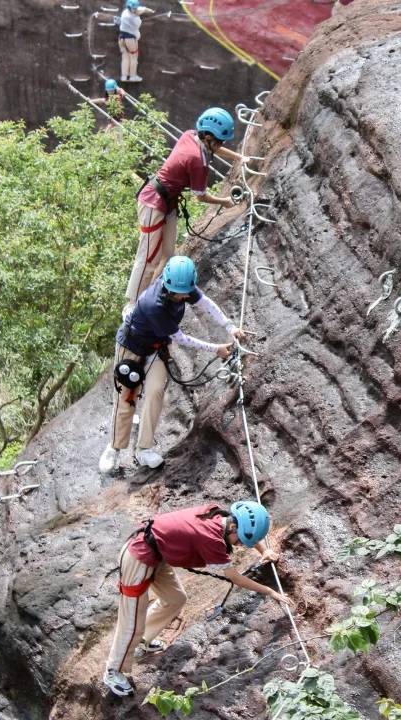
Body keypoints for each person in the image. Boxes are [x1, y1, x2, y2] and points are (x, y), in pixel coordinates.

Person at [103, 500, 295, 697]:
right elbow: (235, 577)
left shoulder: (221, 518)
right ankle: (113, 671)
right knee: (132, 622)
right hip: (139, 557)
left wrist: (265, 551)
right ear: (233, 526)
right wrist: (270, 592)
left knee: (176, 599)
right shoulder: (211, 539)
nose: (239, 546)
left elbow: (248, 531)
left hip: (158, 555)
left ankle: (143, 641)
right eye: (239, 541)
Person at [100, 255, 244, 474]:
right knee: (127, 397)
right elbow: (181, 338)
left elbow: (206, 304)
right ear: (168, 286)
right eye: (179, 293)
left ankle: (144, 448)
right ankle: (115, 447)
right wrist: (217, 348)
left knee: (155, 391)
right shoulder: (153, 305)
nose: (184, 296)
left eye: (187, 291)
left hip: (155, 347)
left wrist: (230, 326)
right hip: (131, 348)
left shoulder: (183, 284)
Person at [124, 108, 248, 314]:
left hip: (167, 202)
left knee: (167, 255)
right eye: (218, 141)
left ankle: (149, 297)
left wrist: (238, 157)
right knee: (148, 257)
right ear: (207, 137)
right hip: (153, 203)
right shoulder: (197, 162)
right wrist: (224, 201)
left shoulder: (190, 135)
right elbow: (200, 196)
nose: (220, 146)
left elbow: (213, 149)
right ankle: (133, 305)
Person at [116, 0, 154, 83]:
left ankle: (124, 76)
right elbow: (137, 23)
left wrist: (148, 10)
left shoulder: (125, 12)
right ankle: (133, 76)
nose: (135, 9)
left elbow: (139, 9)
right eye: (134, 8)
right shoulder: (132, 18)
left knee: (125, 57)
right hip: (130, 39)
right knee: (133, 57)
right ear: (130, 8)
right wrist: (139, 14)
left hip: (121, 38)